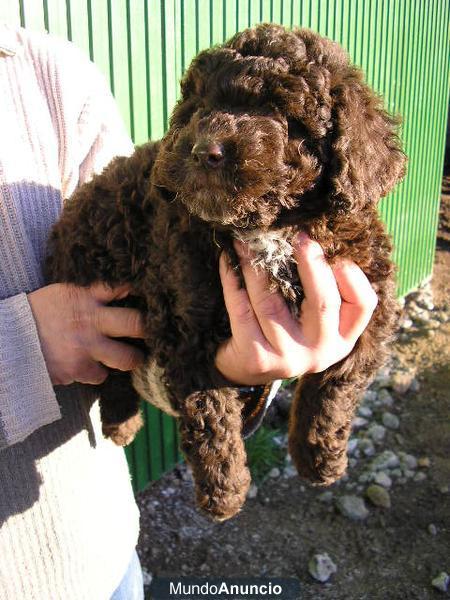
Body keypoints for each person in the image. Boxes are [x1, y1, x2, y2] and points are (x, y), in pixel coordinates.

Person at [0, 24, 378, 600]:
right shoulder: (189, 227)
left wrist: (250, 376)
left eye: (276, 114)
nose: (210, 137)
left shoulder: (47, 70)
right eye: (202, 108)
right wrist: (20, 347)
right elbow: (176, 331)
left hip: (100, 550)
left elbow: (144, 322)